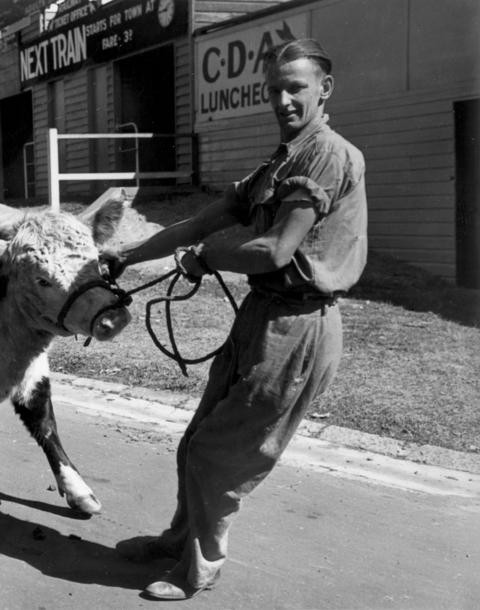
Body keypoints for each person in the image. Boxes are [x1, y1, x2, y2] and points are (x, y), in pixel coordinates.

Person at [105, 39, 367, 600]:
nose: (283, 100)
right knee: (197, 440)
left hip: (299, 326)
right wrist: (123, 258)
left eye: (295, 88)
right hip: (262, 317)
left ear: (324, 89)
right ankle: (180, 541)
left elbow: (274, 251)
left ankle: (200, 569)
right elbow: (201, 222)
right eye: (274, 89)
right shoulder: (283, 159)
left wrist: (209, 258)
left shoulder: (326, 155)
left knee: (219, 455)